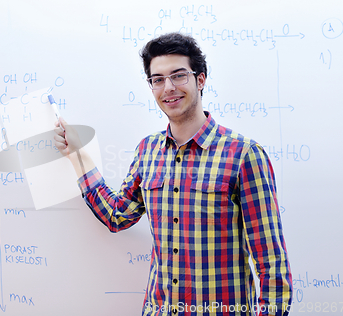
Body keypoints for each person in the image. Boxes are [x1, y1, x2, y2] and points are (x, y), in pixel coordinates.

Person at [54, 33, 292, 315]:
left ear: (200, 79)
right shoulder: (148, 151)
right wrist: (77, 156)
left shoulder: (244, 155)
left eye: (178, 76)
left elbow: (271, 264)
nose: (168, 87)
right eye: (158, 79)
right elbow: (117, 215)